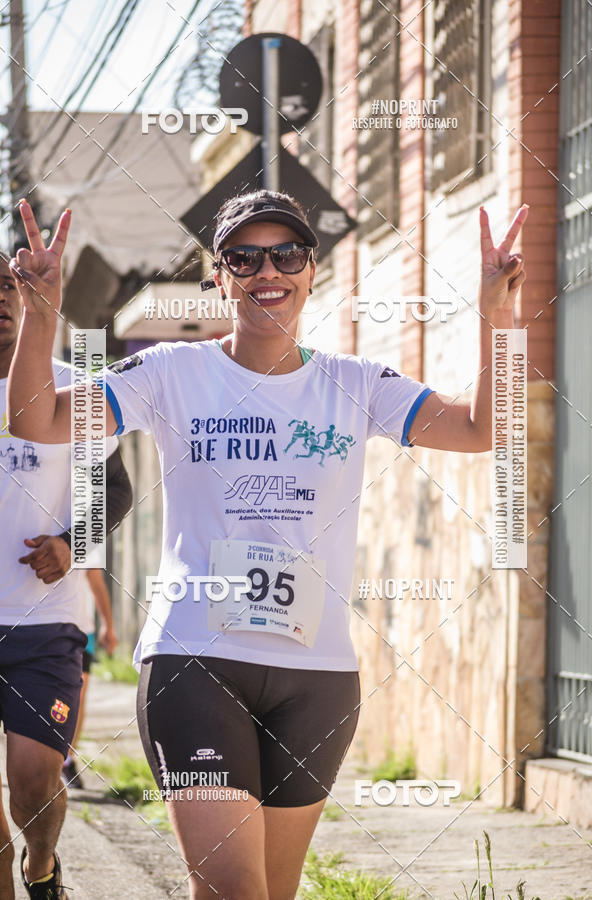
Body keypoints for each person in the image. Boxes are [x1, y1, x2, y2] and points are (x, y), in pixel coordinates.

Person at [7, 192, 527, 900]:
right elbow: (38, 419)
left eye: (287, 253)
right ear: (217, 277)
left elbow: (480, 428)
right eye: (243, 258)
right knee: (233, 891)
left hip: (317, 679)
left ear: (312, 269)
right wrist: (41, 314)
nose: (267, 270)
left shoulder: (355, 383)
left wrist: (498, 321)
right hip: (196, 661)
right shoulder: (171, 373)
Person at [0, 246, 132, 899]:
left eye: (9, 283)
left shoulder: (71, 387)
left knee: (33, 777)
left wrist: (71, 542)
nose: (0, 297)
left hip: (45, 624)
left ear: (28, 293)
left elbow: (116, 487)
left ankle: (41, 866)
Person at [61, 568, 118, 789]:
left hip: (81, 630)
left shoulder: (86, 532)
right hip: (33, 627)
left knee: (77, 697)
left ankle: (66, 758)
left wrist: (108, 625)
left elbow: (95, 578)